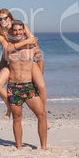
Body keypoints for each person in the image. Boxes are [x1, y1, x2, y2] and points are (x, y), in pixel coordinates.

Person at [0, 9, 47, 120]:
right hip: (11, 59)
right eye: (0, 19)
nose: (3, 21)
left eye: (5, 18)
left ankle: (43, 114)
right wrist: (26, 42)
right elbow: (7, 48)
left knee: (41, 86)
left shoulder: (18, 26)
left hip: (27, 60)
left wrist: (29, 44)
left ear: (10, 18)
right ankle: (8, 105)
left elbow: (33, 40)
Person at [5, 20, 47, 150]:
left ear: (24, 31)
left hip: (29, 86)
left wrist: (38, 76)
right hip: (13, 87)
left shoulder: (33, 46)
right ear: (12, 31)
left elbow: (40, 60)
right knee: (17, 118)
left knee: (42, 115)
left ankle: (44, 147)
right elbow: (4, 59)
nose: (17, 32)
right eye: (15, 30)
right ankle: (19, 147)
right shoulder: (9, 46)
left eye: (20, 30)